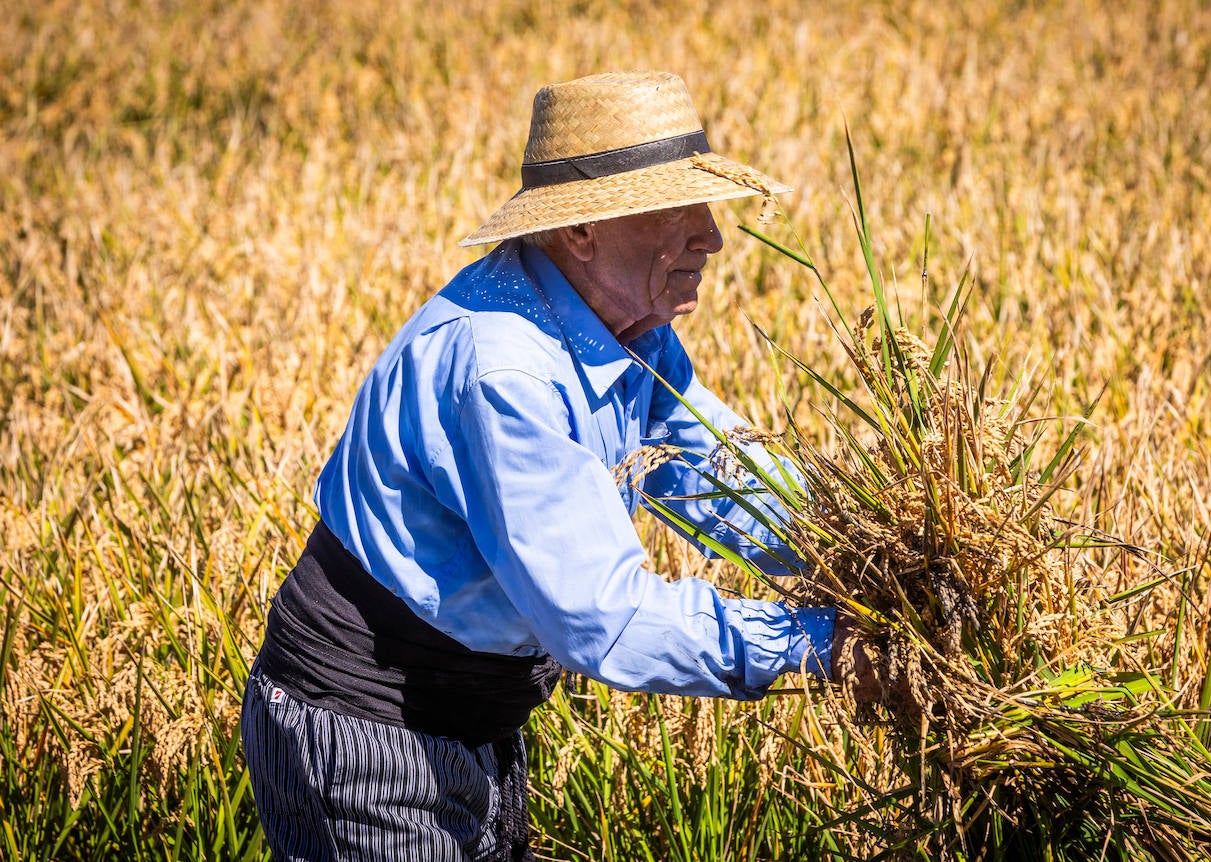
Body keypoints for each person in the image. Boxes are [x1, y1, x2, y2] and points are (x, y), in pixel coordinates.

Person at [240, 70, 863, 862]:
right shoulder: (507, 375)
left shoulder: (626, 328)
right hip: (367, 735)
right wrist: (818, 643)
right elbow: (605, 620)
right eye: (678, 209)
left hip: (476, 722)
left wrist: (866, 553)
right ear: (580, 231)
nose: (711, 236)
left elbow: (718, 473)